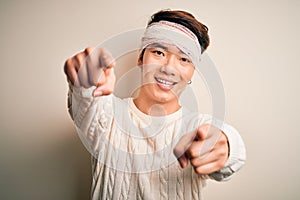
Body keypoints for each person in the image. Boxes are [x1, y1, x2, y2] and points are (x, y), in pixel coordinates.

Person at [64, 9, 246, 200]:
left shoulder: (197, 128)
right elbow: (85, 102)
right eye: (159, 52)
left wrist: (227, 147)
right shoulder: (107, 116)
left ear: (192, 71)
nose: (168, 68)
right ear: (141, 59)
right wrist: (85, 78)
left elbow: (228, 145)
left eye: (184, 59)